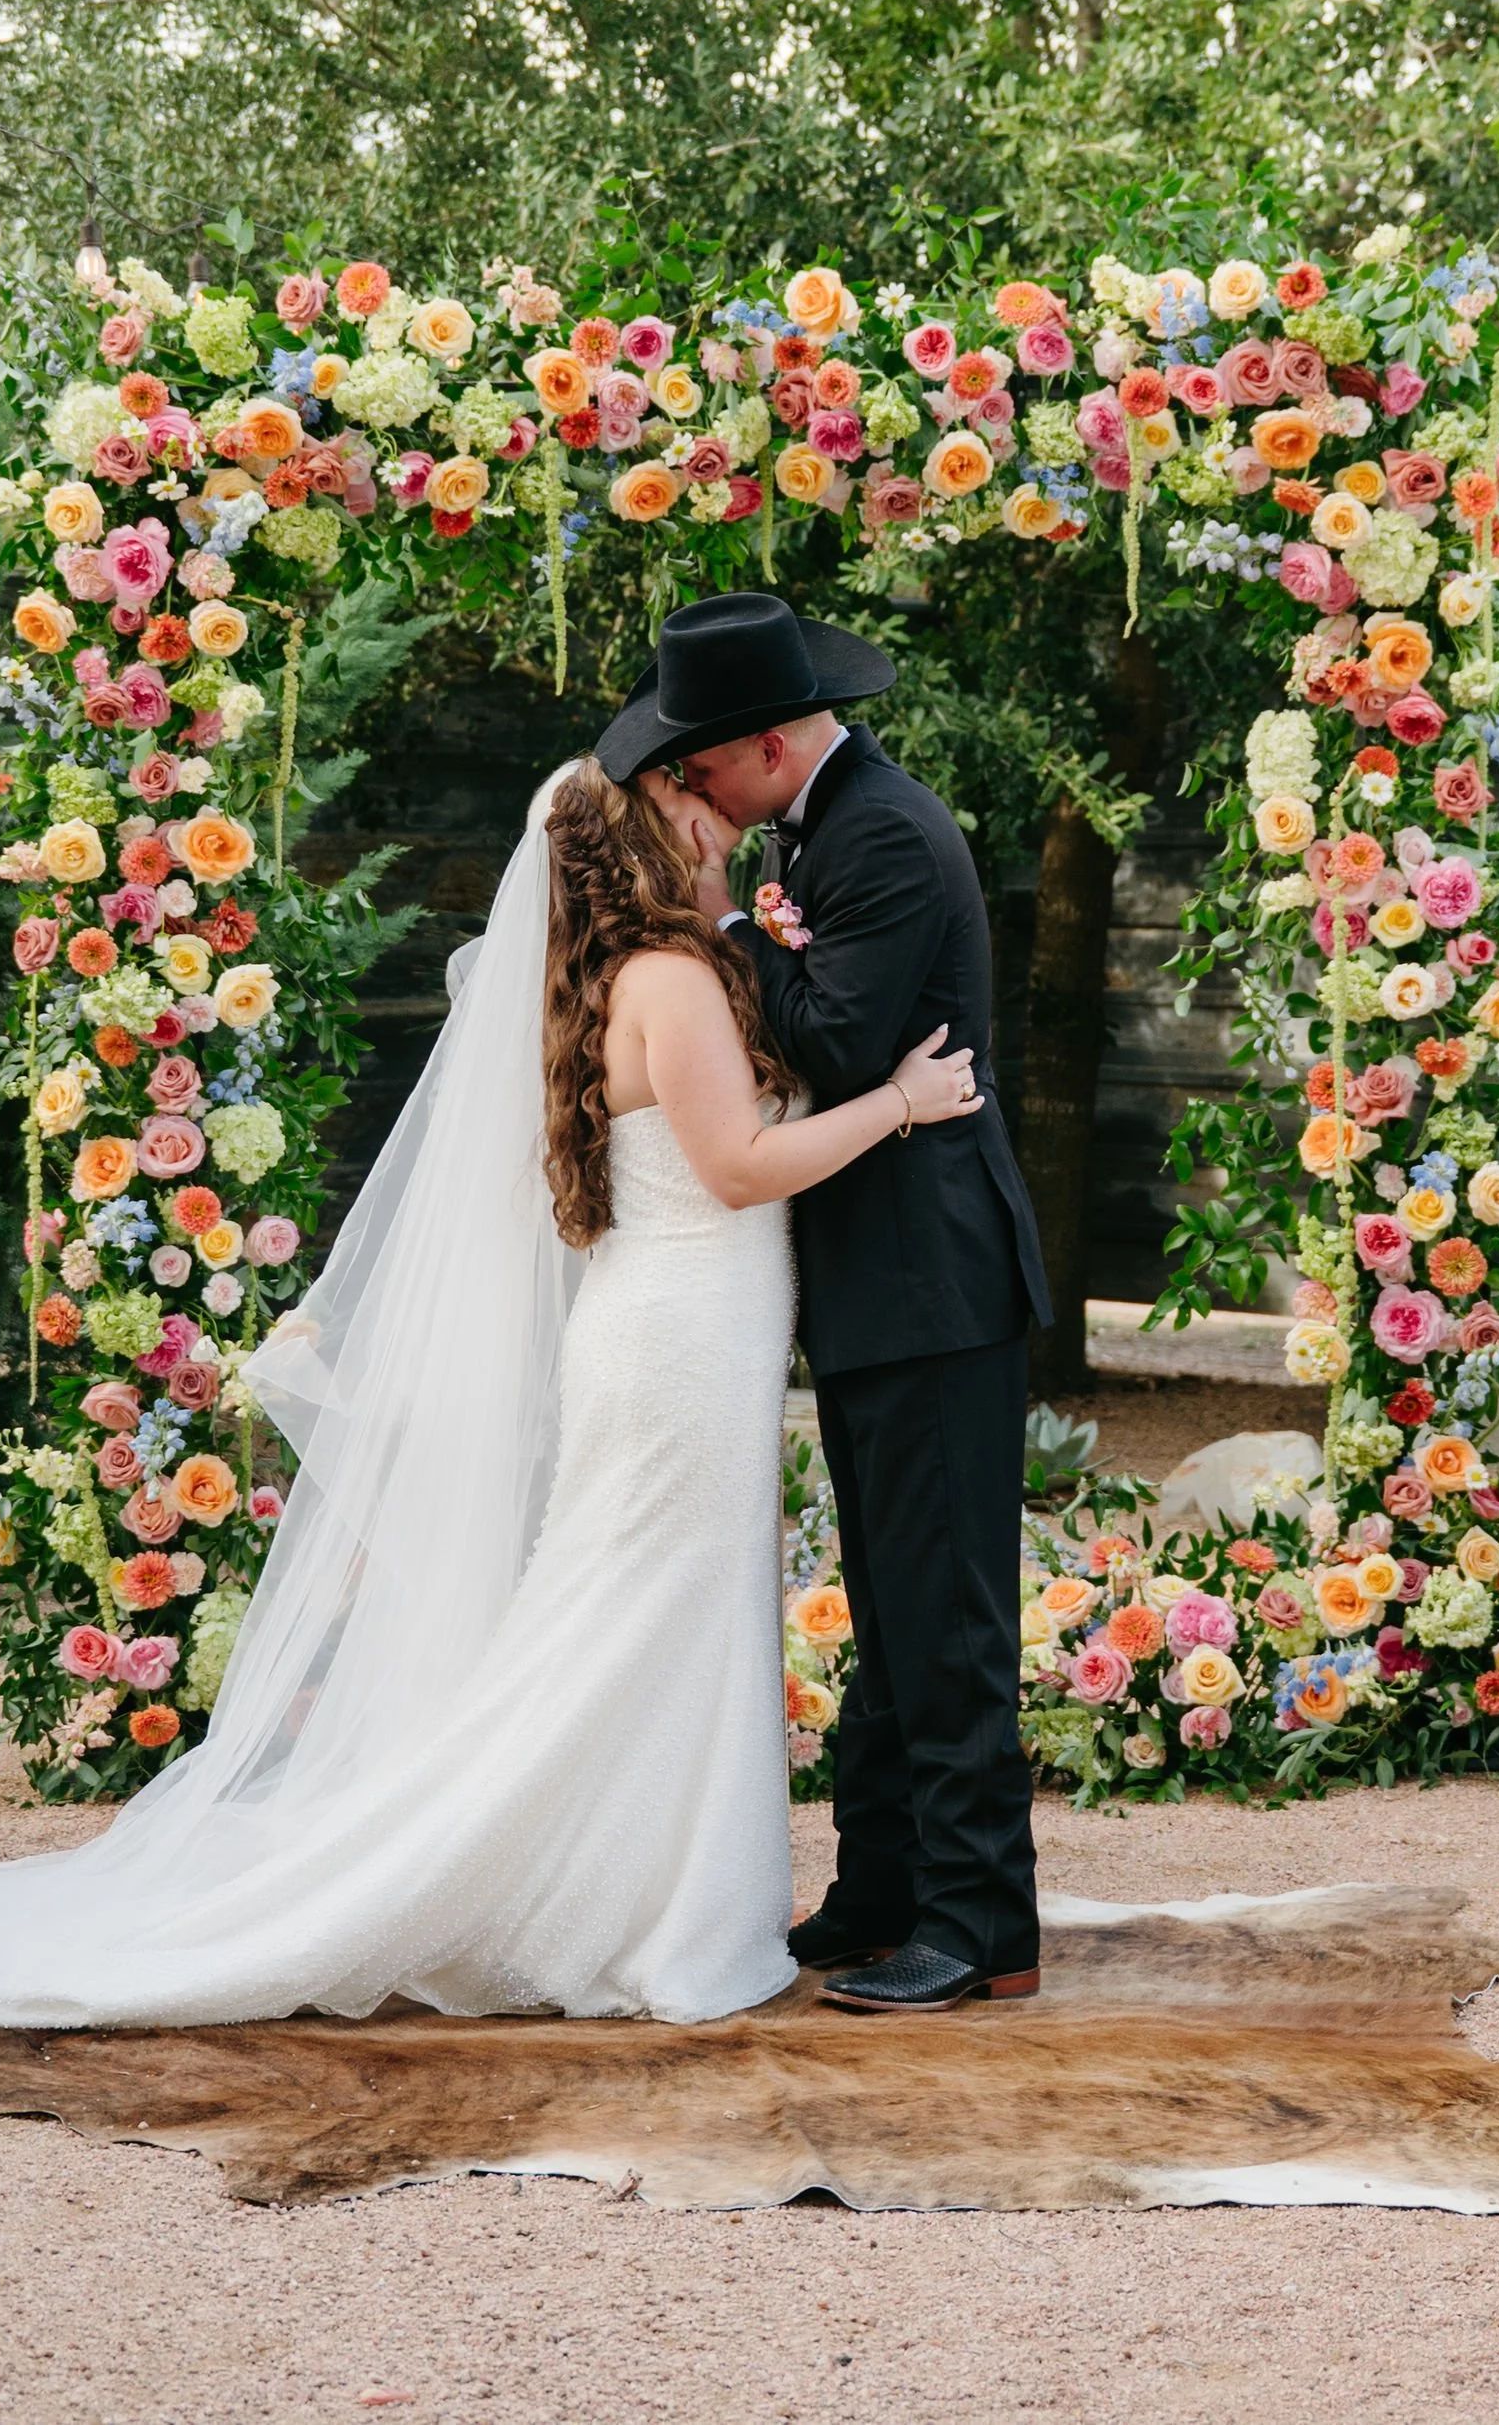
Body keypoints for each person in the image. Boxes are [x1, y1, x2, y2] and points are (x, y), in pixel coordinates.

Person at [0, 757, 980, 2030]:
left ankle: (653, 1894)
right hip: (676, 1344)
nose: (704, 796)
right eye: (677, 799)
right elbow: (740, 1163)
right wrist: (898, 1099)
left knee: (659, 1618)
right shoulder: (664, 980)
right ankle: (557, 1899)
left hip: (684, 1338)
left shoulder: (646, 967)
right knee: (631, 1618)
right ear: (648, 844)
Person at [595, 591, 1051, 2015]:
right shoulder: (828, 826)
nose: (691, 786)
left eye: (701, 762)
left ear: (774, 741)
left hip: (935, 1285)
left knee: (950, 1613)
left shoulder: (888, 835)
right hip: (876, 1288)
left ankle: (979, 1924)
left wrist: (730, 920)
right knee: (891, 1602)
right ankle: (884, 1889)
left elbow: (847, 1042)